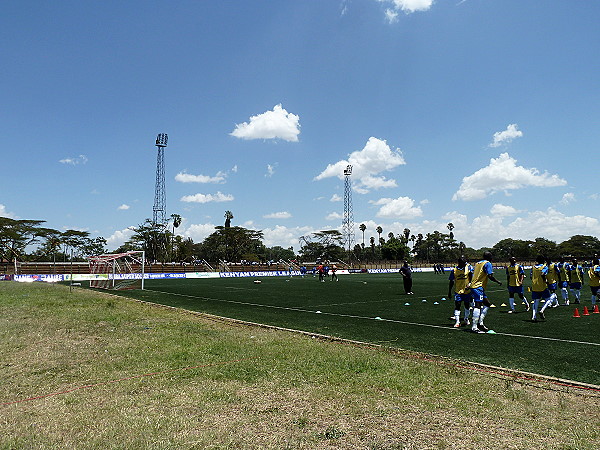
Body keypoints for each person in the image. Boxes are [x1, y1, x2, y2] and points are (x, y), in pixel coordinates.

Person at [468, 251, 502, 333]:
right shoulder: (488, 263)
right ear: (490, 257)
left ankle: (480, 323)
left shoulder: (478, 263)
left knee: (487, 304)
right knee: (478, 305)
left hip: (475, 286)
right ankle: (474, 327)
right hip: (478, 287)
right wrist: (497, 281)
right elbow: (490, 276)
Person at [448, 256, 473, 327]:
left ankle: (466, 319)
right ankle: (457, 322)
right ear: (459, 263)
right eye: (463, 263)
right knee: (457, 305)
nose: (465, 264)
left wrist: (470, 284)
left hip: (467, 291)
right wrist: (449, 291)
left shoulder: (468, 268)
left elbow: (471, 276)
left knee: (467, 305)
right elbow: (451, 281)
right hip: (458, 291)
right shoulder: (454, 270)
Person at [530, 255, 553, 321]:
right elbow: (543, 274)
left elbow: (531, 276)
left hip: (535, 286)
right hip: (542, 286)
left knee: (536, 301)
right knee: (548, 299)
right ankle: (542, 310)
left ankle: (533, 316)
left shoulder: (533, 267)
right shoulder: (544, 267)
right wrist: (545, 280)